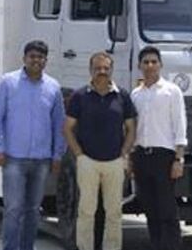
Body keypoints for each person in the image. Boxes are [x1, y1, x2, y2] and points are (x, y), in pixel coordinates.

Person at [0, 40, 67, 250]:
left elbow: (59, 124)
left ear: (46, 61)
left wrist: (57, 155)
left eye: (40, 57)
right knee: (13, 209)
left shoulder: (53, 87)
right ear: (24, 58)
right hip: (13, 158)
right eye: (32, 56)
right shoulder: (8, 82)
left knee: (33, 210)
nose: (36, 60)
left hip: (41, 160)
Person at [64, 52, 137, 250]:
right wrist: (79, 154)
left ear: (111, 70)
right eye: (98, 68)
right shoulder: (79, 96)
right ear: (90, 70)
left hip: (114, 162)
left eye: (106, 68)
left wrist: (124, 153)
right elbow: (68, 128)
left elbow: (131, 128)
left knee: (114, 212)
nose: (102, 71)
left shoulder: (122, 96)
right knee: (86, 211)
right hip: (88, 162)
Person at [130, 46, 188, 250]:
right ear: (139, 66)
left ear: (161, 65)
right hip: (141, 156)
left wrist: (179, 159)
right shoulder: (135, 94)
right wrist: (130, 158)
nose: (150, 65)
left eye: (154, 62)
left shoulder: (172, 91)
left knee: (167, 209)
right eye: (146, 62)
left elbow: (180, 126)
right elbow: (132, 128)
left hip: (164, 157)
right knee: (150, 208)